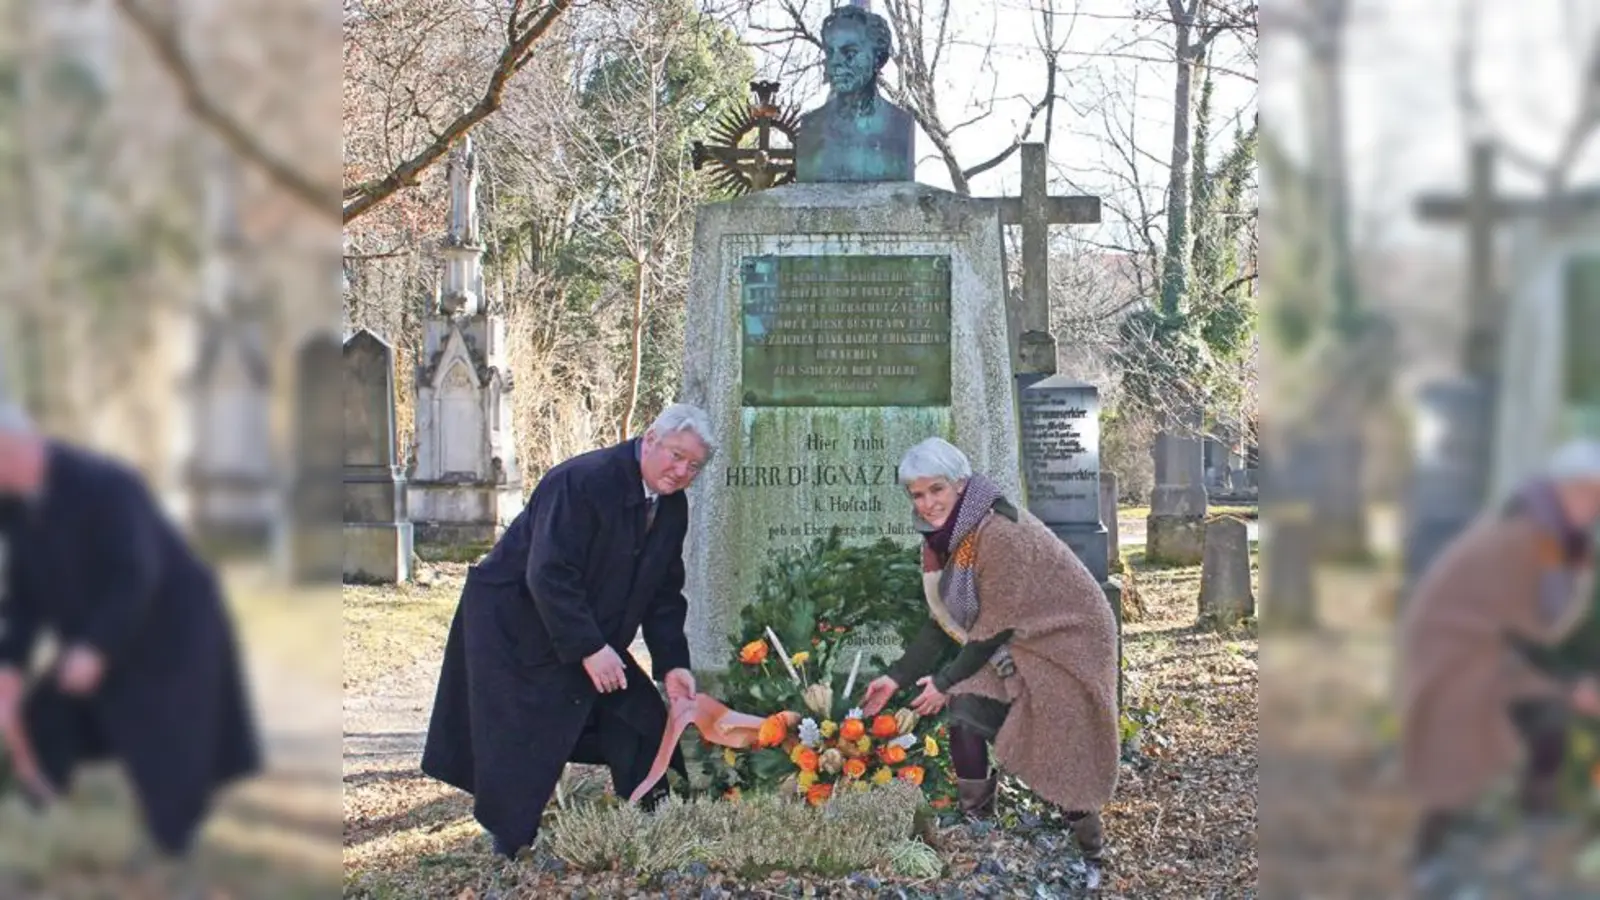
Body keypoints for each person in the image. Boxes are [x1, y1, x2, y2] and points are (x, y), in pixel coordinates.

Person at [421, 403, 715, 858]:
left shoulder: (672, 507)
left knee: (638, 714)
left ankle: (655, 821)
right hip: (516, 626)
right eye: (676, 456)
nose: (681, 471)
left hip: (584, 631)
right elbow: (549, 573)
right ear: (650, 438)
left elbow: (663, 592)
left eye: (693, 466)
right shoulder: (582, 480)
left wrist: (672, 663)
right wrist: (591, 647)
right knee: (525, 732)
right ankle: (510, 846)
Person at [0, 403, 262, 866]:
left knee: (166, 746)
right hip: (97, 632)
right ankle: (41, 799)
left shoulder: (103, 484)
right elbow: (25, 598)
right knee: (46, 713)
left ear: (20, 448)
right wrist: (10, 666)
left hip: (169, 630)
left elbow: (137, 572)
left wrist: (96, 649)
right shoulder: (19, 507)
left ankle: (176, 845)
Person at [859, 437, 1119, 887]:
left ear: (960, 486)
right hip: (1019, 638)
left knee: (1061, 730)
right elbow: (945, 621)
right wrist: (895, 677)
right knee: (967, 703)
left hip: (1069, 642)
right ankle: (978, 822)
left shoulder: (999, 532)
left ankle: (1090, 849)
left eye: (936, 490)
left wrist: (941, 680)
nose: (927, 503)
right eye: (917, 495)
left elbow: (992, 627)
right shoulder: (953, 537)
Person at [1399, 438, 1600, 886]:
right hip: (1457, 652)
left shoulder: (1567, 542)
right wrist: (1574, 685)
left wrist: (1582, 676)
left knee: (1548, 724)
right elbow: (1521, 624)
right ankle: (1432, 858)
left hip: (1501, 652)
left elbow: (1569, 621)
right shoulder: (1525, 536)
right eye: (1586, 494)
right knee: (1461, 750)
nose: (1592, 506)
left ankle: (1529, 838)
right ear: (1563, 490)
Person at [792, 3, 916, 183]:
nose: (835, 62)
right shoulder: (811, 126)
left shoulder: (899, 125)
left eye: (849, 53)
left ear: (878, 58)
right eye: (830, 52)